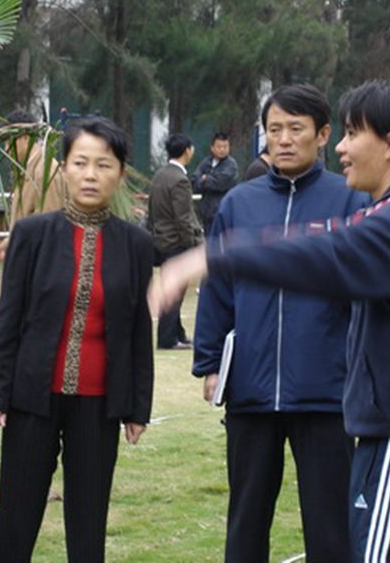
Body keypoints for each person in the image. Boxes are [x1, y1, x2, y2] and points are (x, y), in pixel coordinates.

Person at [152, 80, 390, 562]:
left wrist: (215, 255)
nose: (342, 148)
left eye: (352, 134)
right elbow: (321, 242)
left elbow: (324, 253)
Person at [194, 84, 369, 562]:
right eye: (274, 130)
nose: (285, 140)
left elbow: (366, 295)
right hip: (250, 390)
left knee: (331, 524)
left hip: (326, 392)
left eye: (296, 129)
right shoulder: (239, 204)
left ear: (323, 134)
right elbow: (218, 285)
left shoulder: (350, 201)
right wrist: (210, 362)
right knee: (246, 520)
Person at [0, 116, 154, 563]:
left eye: (103, 165)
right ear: (64, 168)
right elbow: (9, 317)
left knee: (88, 523)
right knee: (16, 517)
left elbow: (138, 328)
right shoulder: (32, 235)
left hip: (99, 404)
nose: (91, 174)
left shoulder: (135, 244)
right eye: (80, 163)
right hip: (31, 398)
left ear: (119, 173)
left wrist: (138, 406)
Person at [148, 133, 203, 349]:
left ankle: (178, 333)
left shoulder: (160, 175)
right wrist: (191, 245)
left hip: (161, 239)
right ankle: (168, 339)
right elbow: (183, 218)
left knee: (173, 289)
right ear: (187, 151)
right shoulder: (179, 180)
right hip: (176, 242)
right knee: (175, 293)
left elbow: (152, 212)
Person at [0, 109, 66, 262]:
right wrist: (3, 249)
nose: (6, 149)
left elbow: (49, 231)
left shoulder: (45, 173)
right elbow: (24, 226)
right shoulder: (26, 172)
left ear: (24, 137)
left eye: (9, 141)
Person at [192, 131, 238, 232]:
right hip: (206, 215)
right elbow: (194, 181)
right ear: (212, 148)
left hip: (223, 214)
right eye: (219, 147)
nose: (222, 150)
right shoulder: (206, 162)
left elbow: (219, 183)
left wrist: (205, 178)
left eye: (225, 147)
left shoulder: (230, 165)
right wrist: (204, 180)